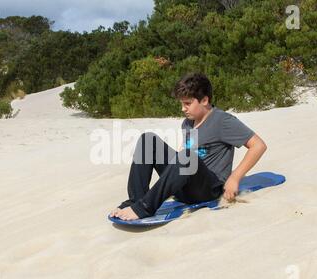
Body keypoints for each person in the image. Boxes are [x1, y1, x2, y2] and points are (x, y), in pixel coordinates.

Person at [110, 73, 267, 221]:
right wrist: (170, 178)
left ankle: (144, 207)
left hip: (209, 190)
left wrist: (234, 178)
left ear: (204, 100)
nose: (183, 109)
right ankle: (136, 200)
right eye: (181, 103)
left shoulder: (222, 121)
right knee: (148, 140)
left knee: (187, 157)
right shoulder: (188, 123)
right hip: (185, 188)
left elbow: (258, 145)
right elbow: (185, 151)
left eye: (187, 103)